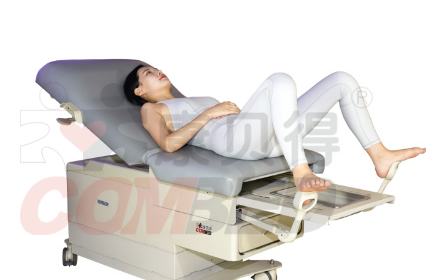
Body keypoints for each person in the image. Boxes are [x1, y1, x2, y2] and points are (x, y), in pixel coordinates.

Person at [123, 63, 425, 205]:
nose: (157, 71)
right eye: (148, 73)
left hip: (266, 138)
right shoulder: (151, 109)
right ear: (140, 91)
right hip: (235, 142)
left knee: (341, 80)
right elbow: (168, 145)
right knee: (279, 80)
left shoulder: (189, 98)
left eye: (155, 68)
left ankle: (379, 155)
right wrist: (209, 113)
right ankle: (300, 171)